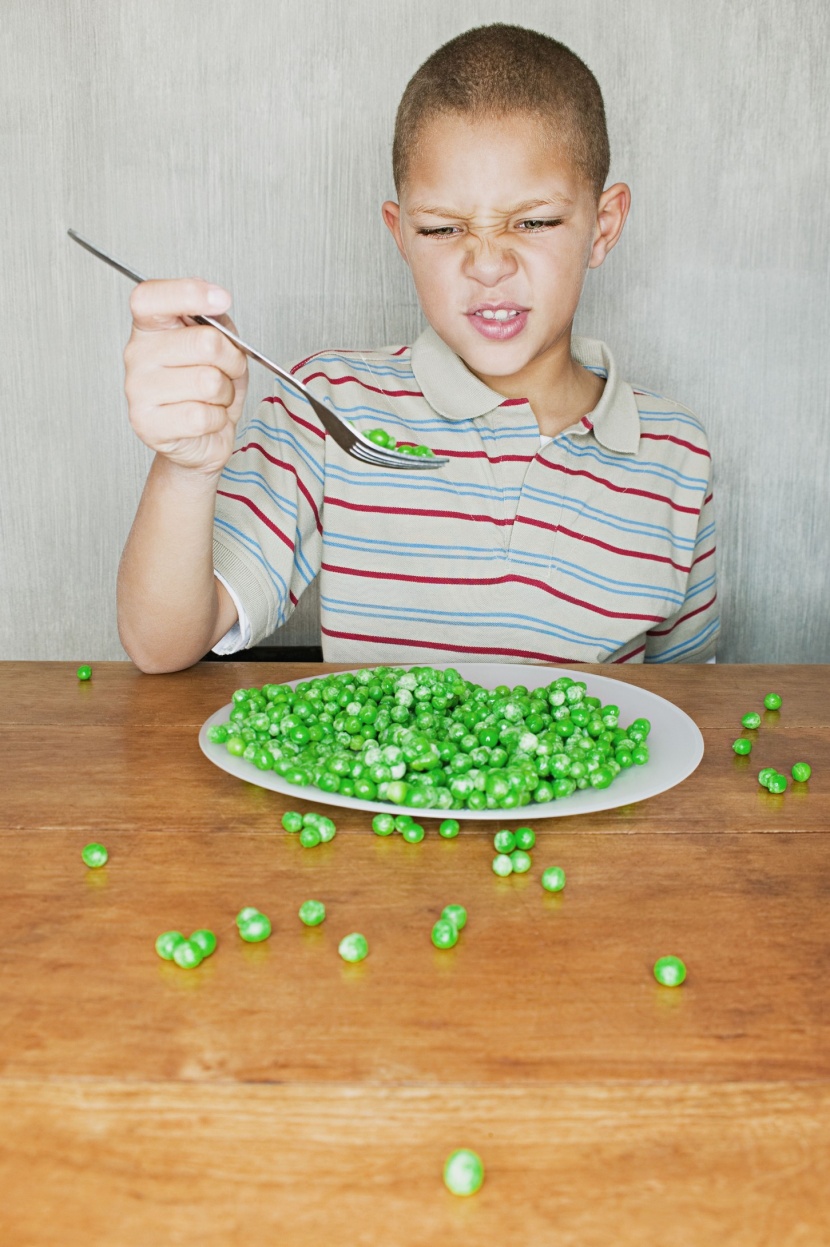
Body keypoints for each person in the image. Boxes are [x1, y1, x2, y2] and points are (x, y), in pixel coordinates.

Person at [118, 23, 718, 673]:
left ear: (602, 227)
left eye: (534, 222)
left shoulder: (677, 455)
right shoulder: (328, 407)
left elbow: (684, 711)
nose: (488, 264)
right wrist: (186, 466)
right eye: (441, 228)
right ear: (401, 233)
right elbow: (162, 645)